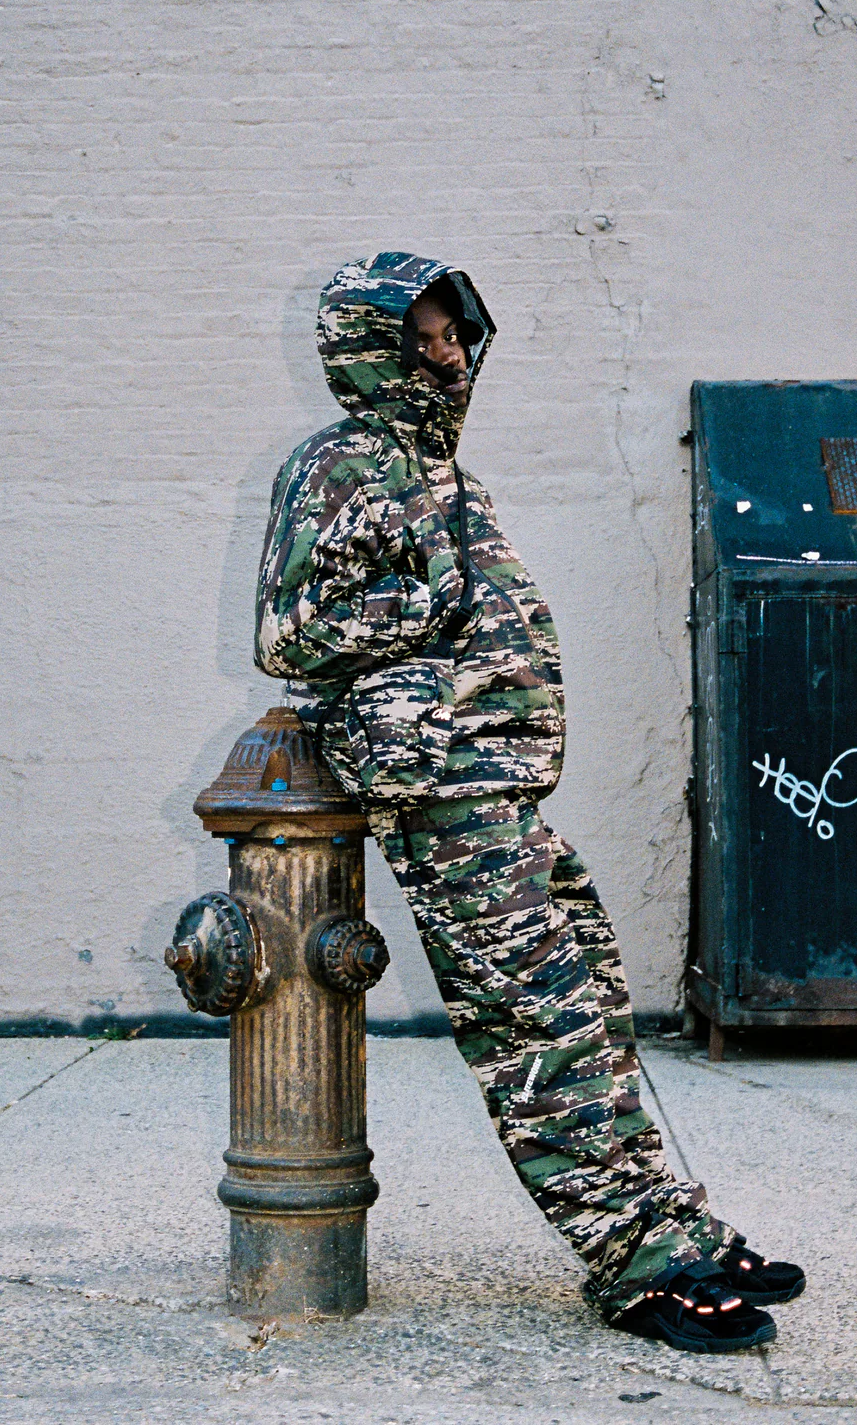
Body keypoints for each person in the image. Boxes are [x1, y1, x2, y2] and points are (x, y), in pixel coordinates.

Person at [254, 251, 803, 1353]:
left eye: (455, 332)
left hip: (497, 785)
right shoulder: (340, 465)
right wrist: (427, 598)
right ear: (369, 352)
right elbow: (286, 634)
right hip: (440, 789)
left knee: (588, 1005)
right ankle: (636, 1268)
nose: (449, 354)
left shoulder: (443, 474)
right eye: (423, 338)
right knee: (537, 1029)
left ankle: (672, 1224)